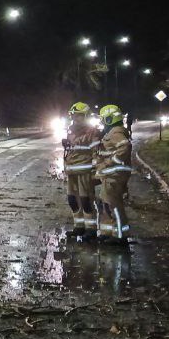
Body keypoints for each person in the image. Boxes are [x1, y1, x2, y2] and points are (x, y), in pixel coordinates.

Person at [94, 104, 134, 246]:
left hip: (115, 175)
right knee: (105, 204)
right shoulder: (112, 132)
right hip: (110, 175)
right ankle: (107, 232)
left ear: (110, 119)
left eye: (103, 119)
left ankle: (120, 236)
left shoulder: (116, 133)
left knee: (113, 205)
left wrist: (109, 162)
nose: (102, 122)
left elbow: (125, 147)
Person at [62, 102, 100, 239]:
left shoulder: (92, 131)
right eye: (73, 116)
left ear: (85, 116)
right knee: (72, 200)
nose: (75, 119)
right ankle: (79, 226)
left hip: (85, 170)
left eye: (78, 116)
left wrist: (95, 170)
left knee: (86, 200)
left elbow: (97, 151)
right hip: (72, 170)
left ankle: (91, 229)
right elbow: (71, 151)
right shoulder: (70, 130)